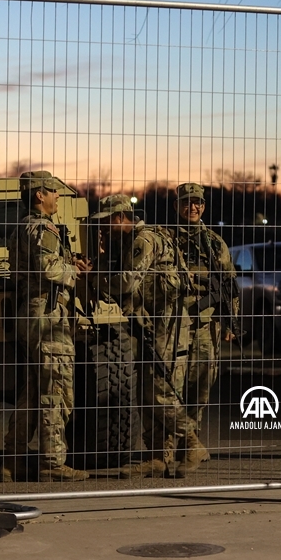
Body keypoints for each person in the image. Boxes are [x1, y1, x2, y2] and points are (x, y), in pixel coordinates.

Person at [91, 194, 193, 478]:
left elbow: (126, 282)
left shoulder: (143, 241)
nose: (103, 227)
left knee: (160, 391)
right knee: (148, 391)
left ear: (120, 217)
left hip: (167, 325)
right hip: (153, 323)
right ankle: (157, 456)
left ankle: (192, 441)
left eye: (107, 221)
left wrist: (94, 278)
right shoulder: (129, 241)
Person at [2, 171, 92, 482]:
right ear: (39, 195)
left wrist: (68, 262)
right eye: (53, 191)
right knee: (56, 389)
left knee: (33, 390)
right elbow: (48, 268)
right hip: (48, 315)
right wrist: (75, 270)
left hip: (31, 312)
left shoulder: (23, 226)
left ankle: (12, 459)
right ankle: (52, 462)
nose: (57, 196)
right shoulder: (44, 228)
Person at [173, 182, 239, 475]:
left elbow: (228, 283)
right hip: (175, 323)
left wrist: (230, 321)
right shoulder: (167, 238)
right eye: (187, 202)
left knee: (200, 386)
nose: (193, 207)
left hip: (205, 324)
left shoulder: (214, 242)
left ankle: (190, 443)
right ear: (177, 205)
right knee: (172, 385)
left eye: (198, 202)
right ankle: (173, 444)